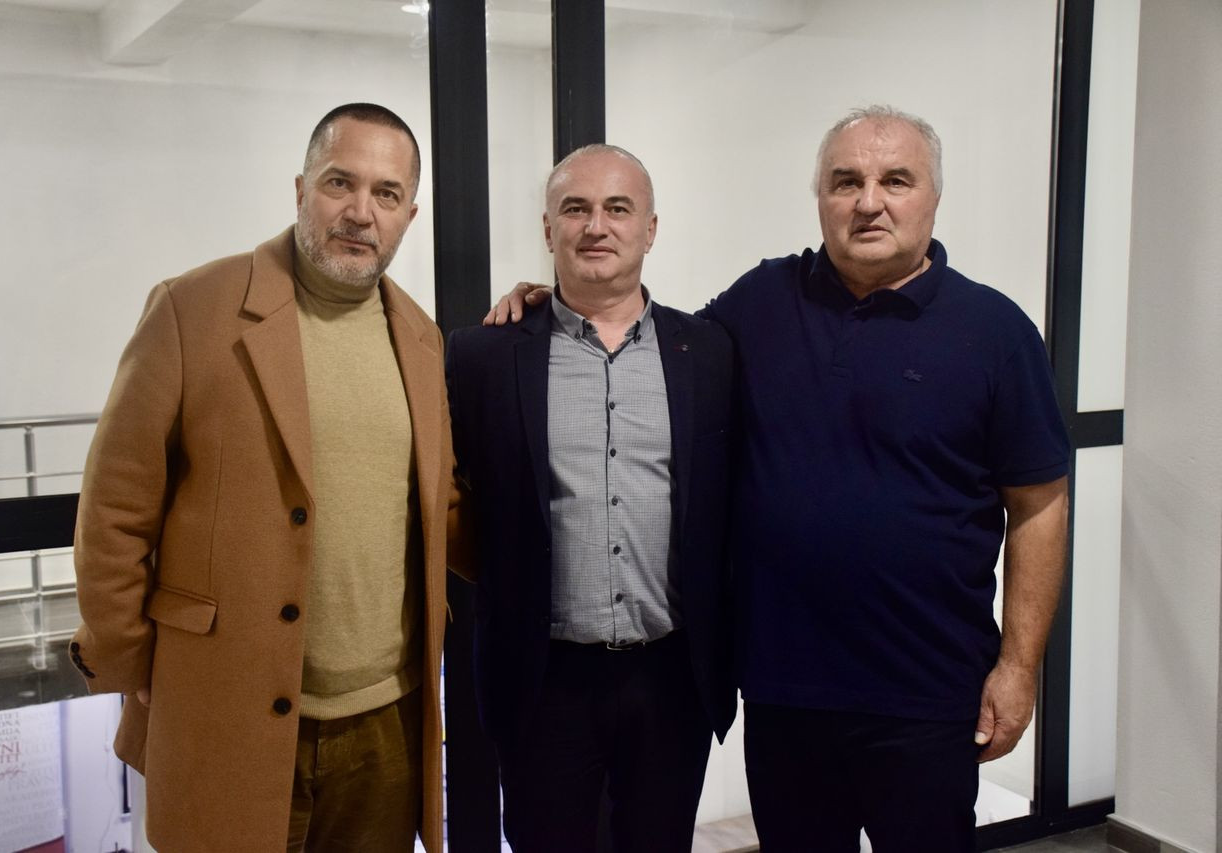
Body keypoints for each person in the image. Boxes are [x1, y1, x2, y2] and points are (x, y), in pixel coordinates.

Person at [488, 106, 1070, 852]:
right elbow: (652, 346)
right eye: (846, 181)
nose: (868, 202)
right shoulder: (762, 302)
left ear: (933, 196)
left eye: (895, 181)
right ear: (820, 196)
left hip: (928, 694)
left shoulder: (996, 332)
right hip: (783, 694)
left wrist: (1018, 667)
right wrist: (553, 306)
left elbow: (1040, 505)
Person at [69, 103, 468, 853]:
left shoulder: (421, 336)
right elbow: (116, 506)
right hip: (227, 706)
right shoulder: (193, 309)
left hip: (387, 726)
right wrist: (129, 657)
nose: (360, 212)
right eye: (339, 183)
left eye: (385, 194)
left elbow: (440, 503)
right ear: (301, 188)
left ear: (409, 215)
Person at [447, 144, 735, 852]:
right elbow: (445, 496)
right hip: (543, 678)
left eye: (617, 209)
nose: (596, 226)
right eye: (575, 209)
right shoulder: (481, 356)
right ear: (549, 229)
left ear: (650, 228)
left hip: (671, 676)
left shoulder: (711, 352)